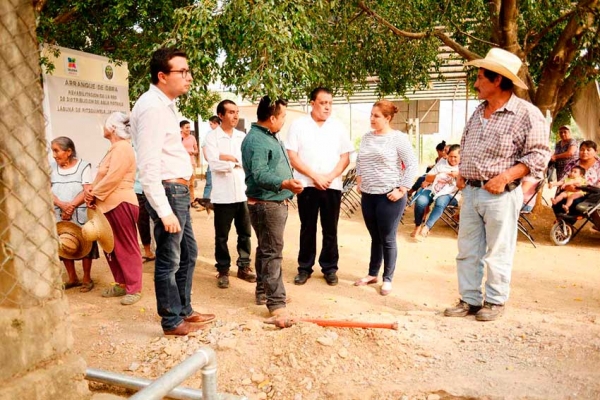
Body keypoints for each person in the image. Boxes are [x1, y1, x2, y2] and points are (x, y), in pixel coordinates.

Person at [443, 48, 550, 322]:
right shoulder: (479, 111)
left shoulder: (527, 114)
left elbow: (539, 155)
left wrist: (504, 177)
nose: (476, 83)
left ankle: (495, 300)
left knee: (498, 251)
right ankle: (469, 300)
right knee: (467, 250)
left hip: (501, 195)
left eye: (480, 77)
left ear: (498, 80)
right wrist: (462, 173)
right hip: (472, 192)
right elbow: (467, 144)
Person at [131, 47, 215, 336]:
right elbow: (148, 163)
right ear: (162, 76)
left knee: (188, 253)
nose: (189, 76)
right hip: (167, 192)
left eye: (188, 70)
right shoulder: (152, 107)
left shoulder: (165, 105)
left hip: (178, 191)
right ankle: (170, 320)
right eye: (183, 71)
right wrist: (164, 210)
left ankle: (184, 310)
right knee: (169, 258)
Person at [241, 95, 303, 319]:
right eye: (283, 116)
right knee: (272, 252)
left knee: (265, 249)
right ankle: (276, 303)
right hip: (267, 203)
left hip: (273, 202)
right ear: (272, 118)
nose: (284, 120)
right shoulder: (257, 140)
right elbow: (259, 174)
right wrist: (284, 183)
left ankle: (263, 292)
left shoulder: (269, 136)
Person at [285, 87, 354, 287]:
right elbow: (293, 156)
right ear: (312, 103)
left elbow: (345, 157)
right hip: (306, 184)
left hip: (332, 185)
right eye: (323, 103)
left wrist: (329, 177)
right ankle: (304, 268)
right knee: (307, 227)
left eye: (330, 103)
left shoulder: (338, 126)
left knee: (330, 228)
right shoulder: (298, 125)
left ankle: (330, 268)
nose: (327, 107)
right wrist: (314, 176)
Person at [354, 100, 418, 296]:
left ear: (388, 118)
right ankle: (373, 273)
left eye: (376, 116)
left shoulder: (398, 138)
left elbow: (412, 164)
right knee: (375, 237)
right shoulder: (366, 137)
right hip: (368, 195)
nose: (372, 119)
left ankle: (387, 278)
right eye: (371, 115)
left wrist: (402, 189)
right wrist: (359, 180)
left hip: (389, 196)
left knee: (388, 238)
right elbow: (359, 160)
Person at [84, 112, 143, 306]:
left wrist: (94, 193)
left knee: (126, 245)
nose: (102, 127)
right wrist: (92, 192)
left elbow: (114, 177)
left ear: (112, 128)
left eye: (105, 124)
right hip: (107, 202)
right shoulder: (115, 148)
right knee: (111, 246)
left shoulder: (122, 148)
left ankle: (134, 288)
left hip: (120, 201)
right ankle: (121, 283)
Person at [204, 100, 256, 289]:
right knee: (221, 236)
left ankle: (244, 267)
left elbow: (247, 161)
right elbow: (213, 163)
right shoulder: (212, 138)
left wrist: (228, 158)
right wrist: (233, 161)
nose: (235, 116)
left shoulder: (242, 137)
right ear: (221, 115)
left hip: (242, 193)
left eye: (237, 112)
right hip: (223, 195)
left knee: (245, 233)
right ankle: (223, 270)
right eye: (231, 112)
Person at [50, 136, 99, 292]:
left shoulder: (83, 166)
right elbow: (46, 189)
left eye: (57, 151)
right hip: (59, 213)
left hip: (79, 212)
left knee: (86, 243)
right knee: (64, 244)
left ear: (69, 151)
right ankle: (72, 277)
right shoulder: (51, 168)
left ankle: (86, 278)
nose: (54, 155)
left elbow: (87, 189)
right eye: (53, 151)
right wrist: (61, 205)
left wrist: (70, 207)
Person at [411, 144, 461, 240]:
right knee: (420, 202)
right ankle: (418, 225)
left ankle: (427, 227)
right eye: (450, 156)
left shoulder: (463, 166)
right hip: (433, 189)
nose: (452, 159)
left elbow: (463, 185)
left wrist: (457, 176)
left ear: (461, 156)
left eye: (455, 157)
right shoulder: (442, 162)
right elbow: (428, 177)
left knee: (440, 202)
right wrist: (441, 174)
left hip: (450, 193)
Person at [551, 141, 600, 216]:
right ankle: (563, 222)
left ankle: (567, 221)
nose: (584, 152)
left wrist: (583, 188)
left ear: (595, 151)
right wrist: (568, 187)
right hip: (569, 190)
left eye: (588, 150)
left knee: (576, 202)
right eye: (582, 149)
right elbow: (564, 178)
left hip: (590, 194)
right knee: (558, 200)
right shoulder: (573, 163)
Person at [198, 115, 221, 210]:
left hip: (222, 163)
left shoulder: (223, 134)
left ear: (216, 123)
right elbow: (204, 146)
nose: (210, 126)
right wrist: (208, 158)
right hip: (211, 163)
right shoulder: (209, 134)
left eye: (211, 124)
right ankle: (204, 203)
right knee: (209, 183)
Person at [134, 174, 155, 262]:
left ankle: (158, 251)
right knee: (142, 222)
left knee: (159, 222)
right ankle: (148, 251)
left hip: (155, 189)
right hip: (138, 190)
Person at [180, 120, 199, 208]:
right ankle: (184, 201)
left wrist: (193, 152)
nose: (188, 129)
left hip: (191, 163)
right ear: (181, 128)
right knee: (183, 183)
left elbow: (196, 150)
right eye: (187, 127)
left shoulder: (192, 138)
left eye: (189, 127)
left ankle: (192, 201)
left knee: (191, 183)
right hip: (181, 163)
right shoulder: (178, 138)